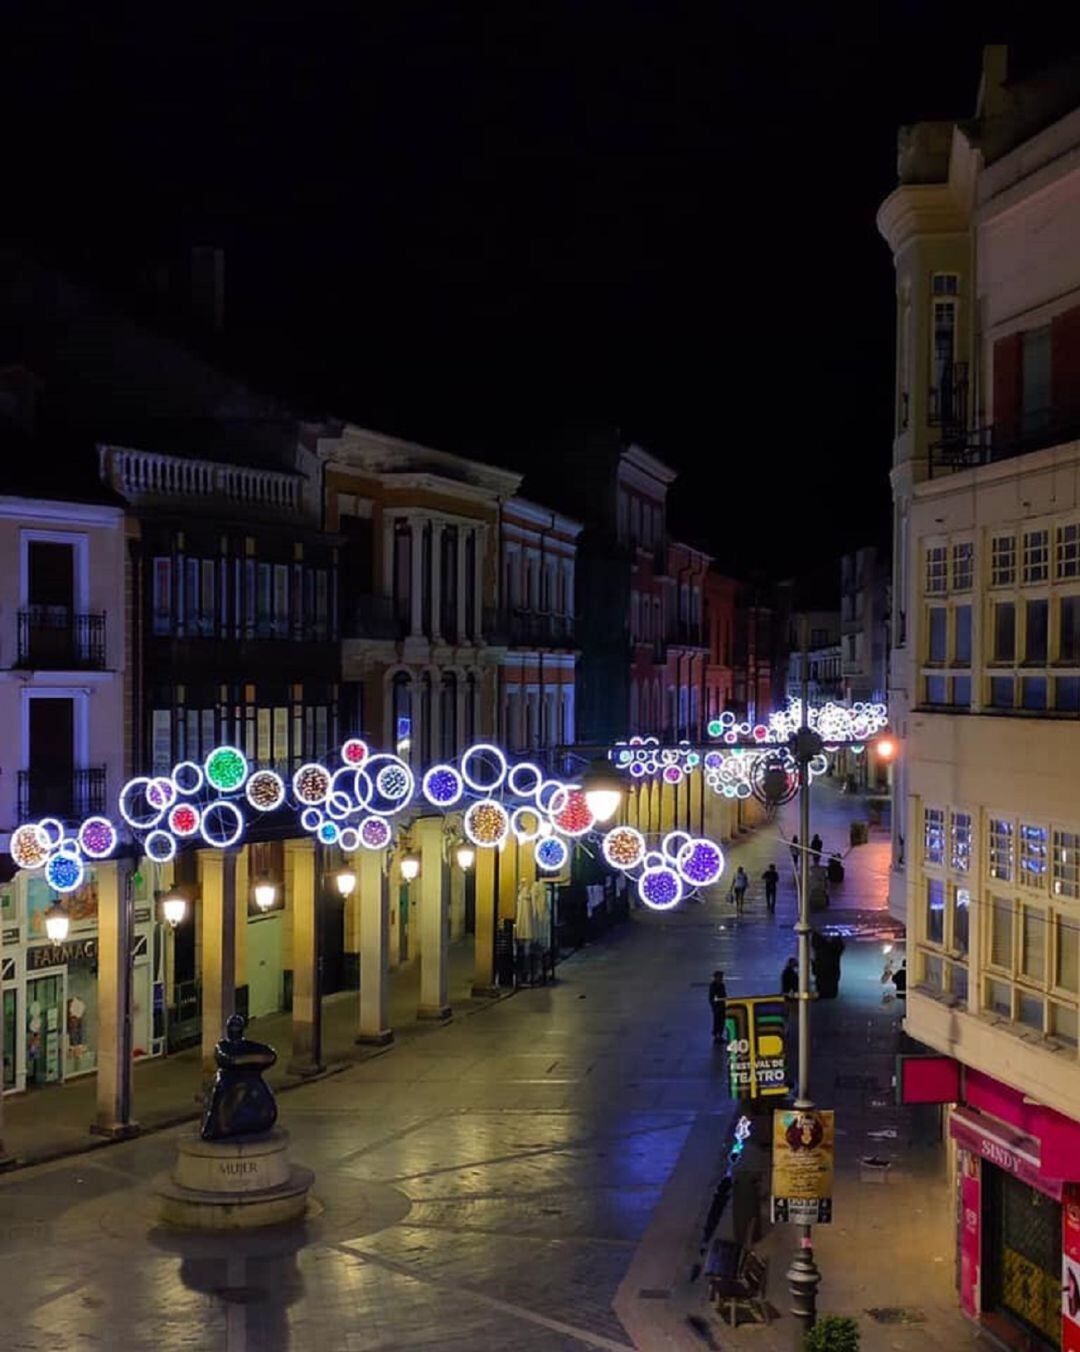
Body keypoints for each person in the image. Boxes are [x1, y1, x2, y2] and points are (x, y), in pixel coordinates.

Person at [709, 970, 727, 1043]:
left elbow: (724, 994)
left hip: (722, 1005)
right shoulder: (713, 985)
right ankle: (717, 1035)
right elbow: (711, 997)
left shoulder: (722, 985)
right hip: (717, 1006)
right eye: (720, 977)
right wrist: (714, 1006)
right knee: (717, 1021)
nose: (721, 978)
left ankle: (720, 1035)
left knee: (721, 1021)